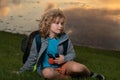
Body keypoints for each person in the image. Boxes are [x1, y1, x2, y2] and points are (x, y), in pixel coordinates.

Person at [19, 9, 105, 80]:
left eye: (62, 23)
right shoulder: (38, 39)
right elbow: (32, 58)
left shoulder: (65, 38)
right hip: (47, 68)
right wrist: (21, 71)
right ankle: (68, 78)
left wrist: (64, 59)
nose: (60, 26)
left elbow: (72, 53)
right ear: (48, 23)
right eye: (57, 23)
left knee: (79, 68)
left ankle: (91, 74)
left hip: (64, 65)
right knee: (47, 73)